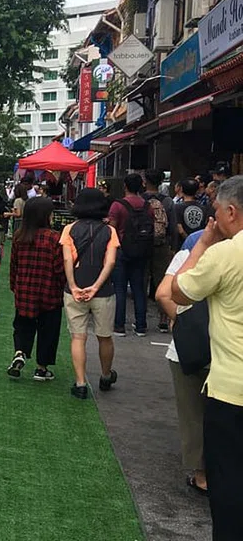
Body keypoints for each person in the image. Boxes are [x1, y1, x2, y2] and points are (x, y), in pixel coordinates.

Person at [171, 176, 243, 539]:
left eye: (215, 211)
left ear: (231, 211)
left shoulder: (226, 253)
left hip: (232, 390)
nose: (212, 219)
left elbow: (177, 291)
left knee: (228, 482)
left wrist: (202, 244)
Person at [155, 234, 209, 497]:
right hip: (229, 351)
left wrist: (183, 321)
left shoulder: (190, 251)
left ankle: (202, 475)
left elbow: (164, 294)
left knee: (193, 414)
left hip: (188, 349)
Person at [60, 188, 120, 400]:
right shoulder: (110, 231)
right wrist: (95, 287)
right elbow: (110, 262)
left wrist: (73, 285)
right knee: (105, 337)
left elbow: (67, 259)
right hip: (103, 291)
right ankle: (105, 376)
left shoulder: (69, 229)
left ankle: (80, 383)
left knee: (78, 337)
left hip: (75, 290)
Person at [7, 197, 65, 381]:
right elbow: (59, 268)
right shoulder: (54, 238)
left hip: (25, 290)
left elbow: (14, 265)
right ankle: (41, 368)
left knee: (22, 325)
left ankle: (20, 352)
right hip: (49, 291)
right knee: (48, 330)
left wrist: (15, 286)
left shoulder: (19, 236)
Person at [108, 173, 152, 336]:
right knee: (138, 288)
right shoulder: (147, 206)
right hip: (142, 250)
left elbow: (112, 229)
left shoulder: (118, 205)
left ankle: (119, 325)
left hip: (121, 249)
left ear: (125, 186)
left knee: (119, 288)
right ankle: (141, 325)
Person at [143, 168, 176, 332]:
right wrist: (172, 247)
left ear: (145, 182)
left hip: (142, 244)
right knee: (162, 281)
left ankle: (140, 319)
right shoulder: (168, 201)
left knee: (141, 281)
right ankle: (163, 318)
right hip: (161, 245)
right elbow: (173, 226)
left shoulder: (140, 199)